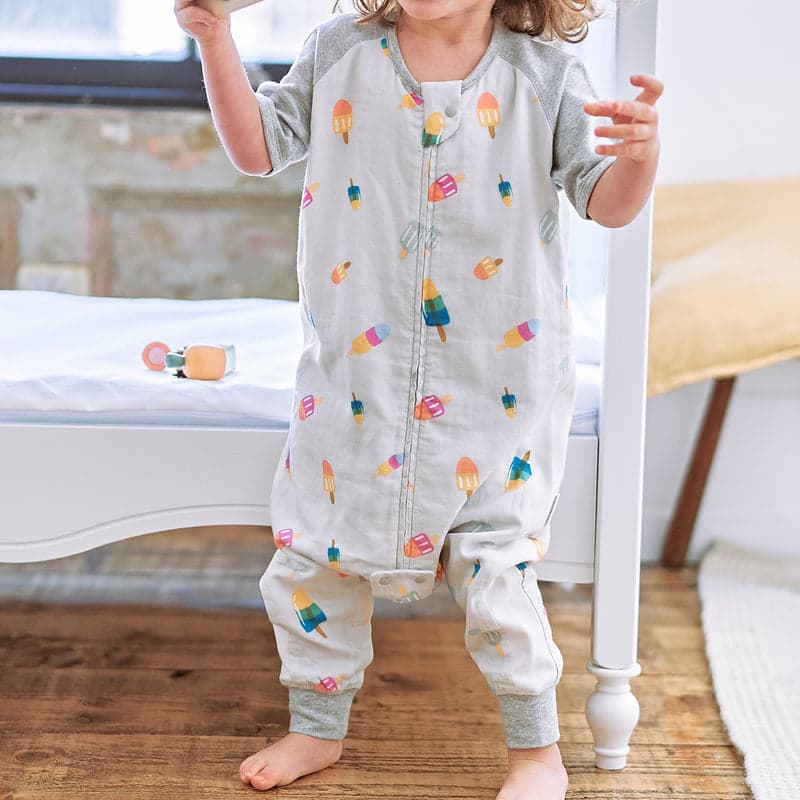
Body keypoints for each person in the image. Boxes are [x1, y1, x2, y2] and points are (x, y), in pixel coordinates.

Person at [175, 1, 661, 797]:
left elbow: (606, 203)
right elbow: (258, 149)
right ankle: (316, 727)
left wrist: (639, 158)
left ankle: (536, 751)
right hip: (356, 375)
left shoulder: (544, 75)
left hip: (498, 382)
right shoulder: (339, 51)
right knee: (313, 555)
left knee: (496, 568)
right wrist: (215, 40)